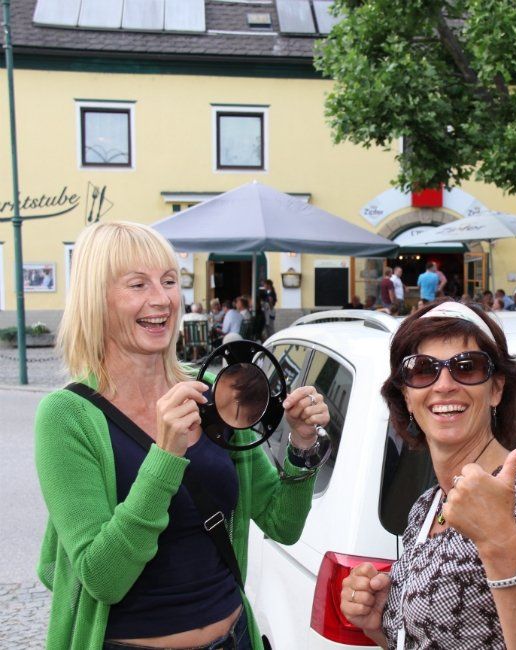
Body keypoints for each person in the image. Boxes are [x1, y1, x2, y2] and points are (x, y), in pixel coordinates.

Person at [35, 221, 330, 649]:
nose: (162, 299)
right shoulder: (67, 415)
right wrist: (166, 456)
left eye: (170, 281)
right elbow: (103, 578)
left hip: (234, 638)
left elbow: (282, 523)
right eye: (138, 284)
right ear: (96, 299)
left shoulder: (212, 391)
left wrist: (302, 445)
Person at [340, 299, 516, 649]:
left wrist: (499, 542)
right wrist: (380, 622)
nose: (444, 384)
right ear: (406, 396)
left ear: (496, 389)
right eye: (422, 369)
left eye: (466, 367)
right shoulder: (426, 508)